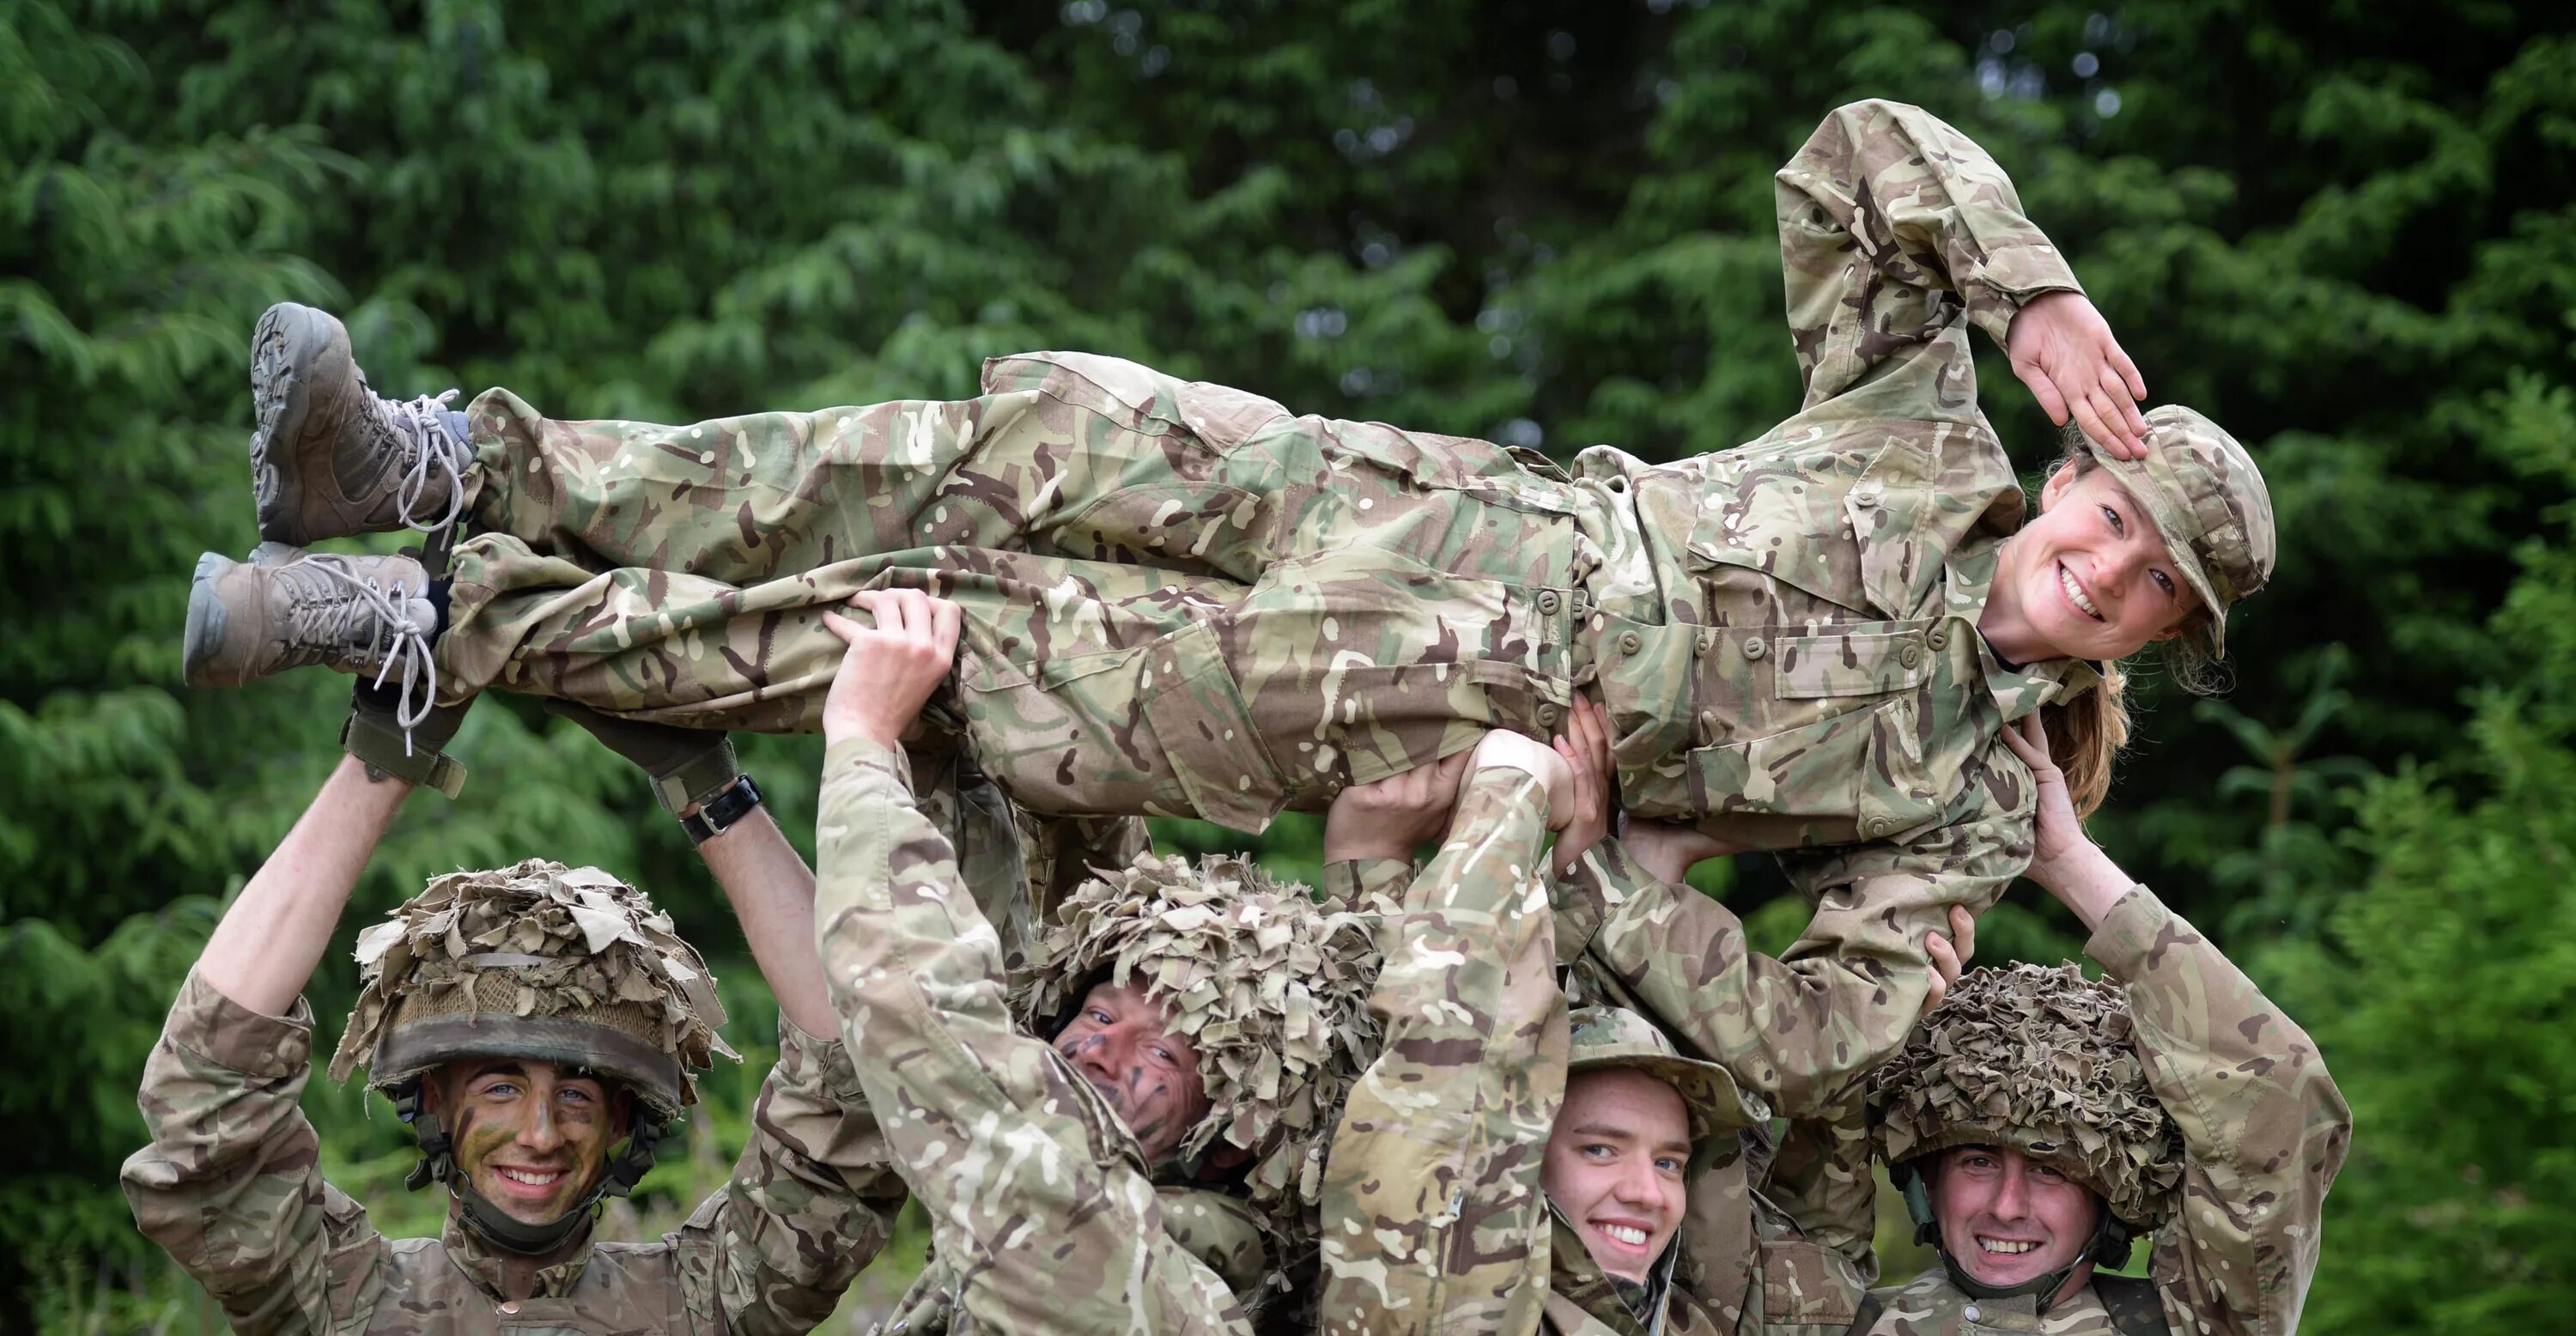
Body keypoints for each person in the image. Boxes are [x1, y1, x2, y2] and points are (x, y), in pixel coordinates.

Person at [181, 96, 2275, 1118]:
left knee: (941, 639)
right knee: (1025, 421)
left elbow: (1832, 1040)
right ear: (2075, 470)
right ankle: (462, 467)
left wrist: (1601, 882)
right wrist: (2026, 288)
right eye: (2104, 518)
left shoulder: (1960, 801)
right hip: (1421, 498)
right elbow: (1848, 158)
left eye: (2130, 596)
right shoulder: (1928, 431)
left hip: (1388, 700)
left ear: (2143, 647)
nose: (2087, 568)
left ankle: (426, 627)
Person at [124, 720, 902, 1336]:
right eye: (499, 1088)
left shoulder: (698, 1311)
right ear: (439, 1102)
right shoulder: (339, 1306)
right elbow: (204, 1101)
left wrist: (708, 787)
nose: (539, 1133)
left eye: (577, 1096)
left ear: (621, 1122)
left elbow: (859, 1099)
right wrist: (385, 760)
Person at [766, 589, 1380, 1336]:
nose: (1103, 1042)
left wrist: (859, 745)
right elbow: (1017, 985)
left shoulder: (1128, 1279)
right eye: (1099, 1009)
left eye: (1167, 1044)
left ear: (1239, 1136)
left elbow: (926, 1015)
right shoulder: (1136, 1236)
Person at [1765, 715, 2353, 1336]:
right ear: (1924, 1169)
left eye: (2049, 1171)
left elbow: (2279, 1102)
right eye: (1977, 1160)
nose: (2005, 1203)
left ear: (2106, 1189)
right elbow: (1800, 1119)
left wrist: (2069, 863)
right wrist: (1877, 974)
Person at [1309, 729, 1873, 1336]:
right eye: (1600, 1150)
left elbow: (1795, 1208)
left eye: (1666, 1162)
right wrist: (1498, 799)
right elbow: (1439, 1079)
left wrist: (1620, 872)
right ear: (1522, 1156)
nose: (1646, 1193)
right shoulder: (1462, 1335)